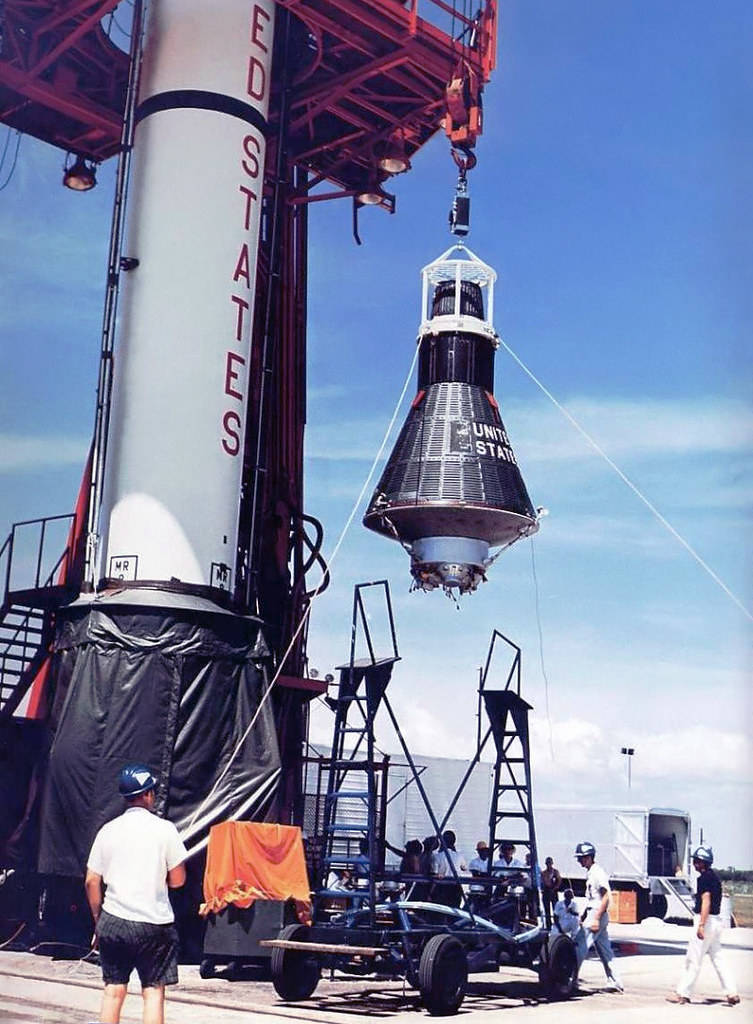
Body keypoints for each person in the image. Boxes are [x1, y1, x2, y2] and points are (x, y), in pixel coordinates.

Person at [85, 764, 187, 1024]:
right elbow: (178, 881)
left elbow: (91, 881)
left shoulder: (108, 830)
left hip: (114, 920)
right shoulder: (165, 830)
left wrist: (99, 920)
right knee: (152, 992)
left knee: (113, 990)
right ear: (148, 795)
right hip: (154, 924)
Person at [666, 845, 740, 1006]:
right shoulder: (714, 878)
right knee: (718, 958)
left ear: (702, 862)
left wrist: (701, 925)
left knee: (693, 959)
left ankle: (682, 993)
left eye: (696, 861)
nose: (694, 864)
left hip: (705, 921)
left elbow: (705, 901)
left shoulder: (704, 879)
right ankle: (731, 992)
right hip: (716, 922)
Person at [573, 840, 624, 993]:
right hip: (594, 911)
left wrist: (595, 918)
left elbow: (606, 896)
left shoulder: (597, 873)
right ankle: (615, 982)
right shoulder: (591, 872)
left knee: (580, 945)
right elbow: (592, 898)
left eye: (582, 858)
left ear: (589, 857)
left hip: (597, 913)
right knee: (604, 949)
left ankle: (570, 979)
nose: (580, 861)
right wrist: (584, 914)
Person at [433, 830, 467, 908]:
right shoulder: (459, 856)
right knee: (454, 909)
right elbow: (464, 868)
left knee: (441, 909)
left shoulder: (438, 856)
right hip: (455, 886)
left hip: (442, 887)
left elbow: (435, 872)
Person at [468, 839, 492, 913]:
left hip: (488, 887)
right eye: (481, 850)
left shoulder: (492, 862)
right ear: (478, 852)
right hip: (477, 887)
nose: (483, 852)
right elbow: (475, 874)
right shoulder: (474, 862)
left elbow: (491, 875)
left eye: (484, 850)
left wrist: (481, 874)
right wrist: (485, 875)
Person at [541, 856, 562, 928]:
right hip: (546, 892)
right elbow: (543, 882)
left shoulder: (555, 872)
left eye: (550, 863)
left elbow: (559, 881)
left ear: (552, 863)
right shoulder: (543, 873)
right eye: (547, 863)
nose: (549, 864)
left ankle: (557, 925)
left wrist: (554, 888)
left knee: (555, 909)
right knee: (547, 910)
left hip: (554, 892)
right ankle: (548, 925)